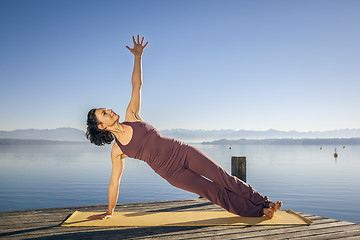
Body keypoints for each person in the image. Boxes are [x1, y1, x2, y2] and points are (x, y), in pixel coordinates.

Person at [86, 35, 282, 220]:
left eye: (106, 108)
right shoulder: (118, 150)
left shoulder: (132, 115)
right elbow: (114, 182)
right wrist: (109, 211)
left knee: (224, 178)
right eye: (104, 113)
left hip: (183, 152)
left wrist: (138, 58)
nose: (109, 110)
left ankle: (265, 202)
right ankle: (260, 212)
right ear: (101, 126)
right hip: (172, 174)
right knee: (213, 192)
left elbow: (136, 85)